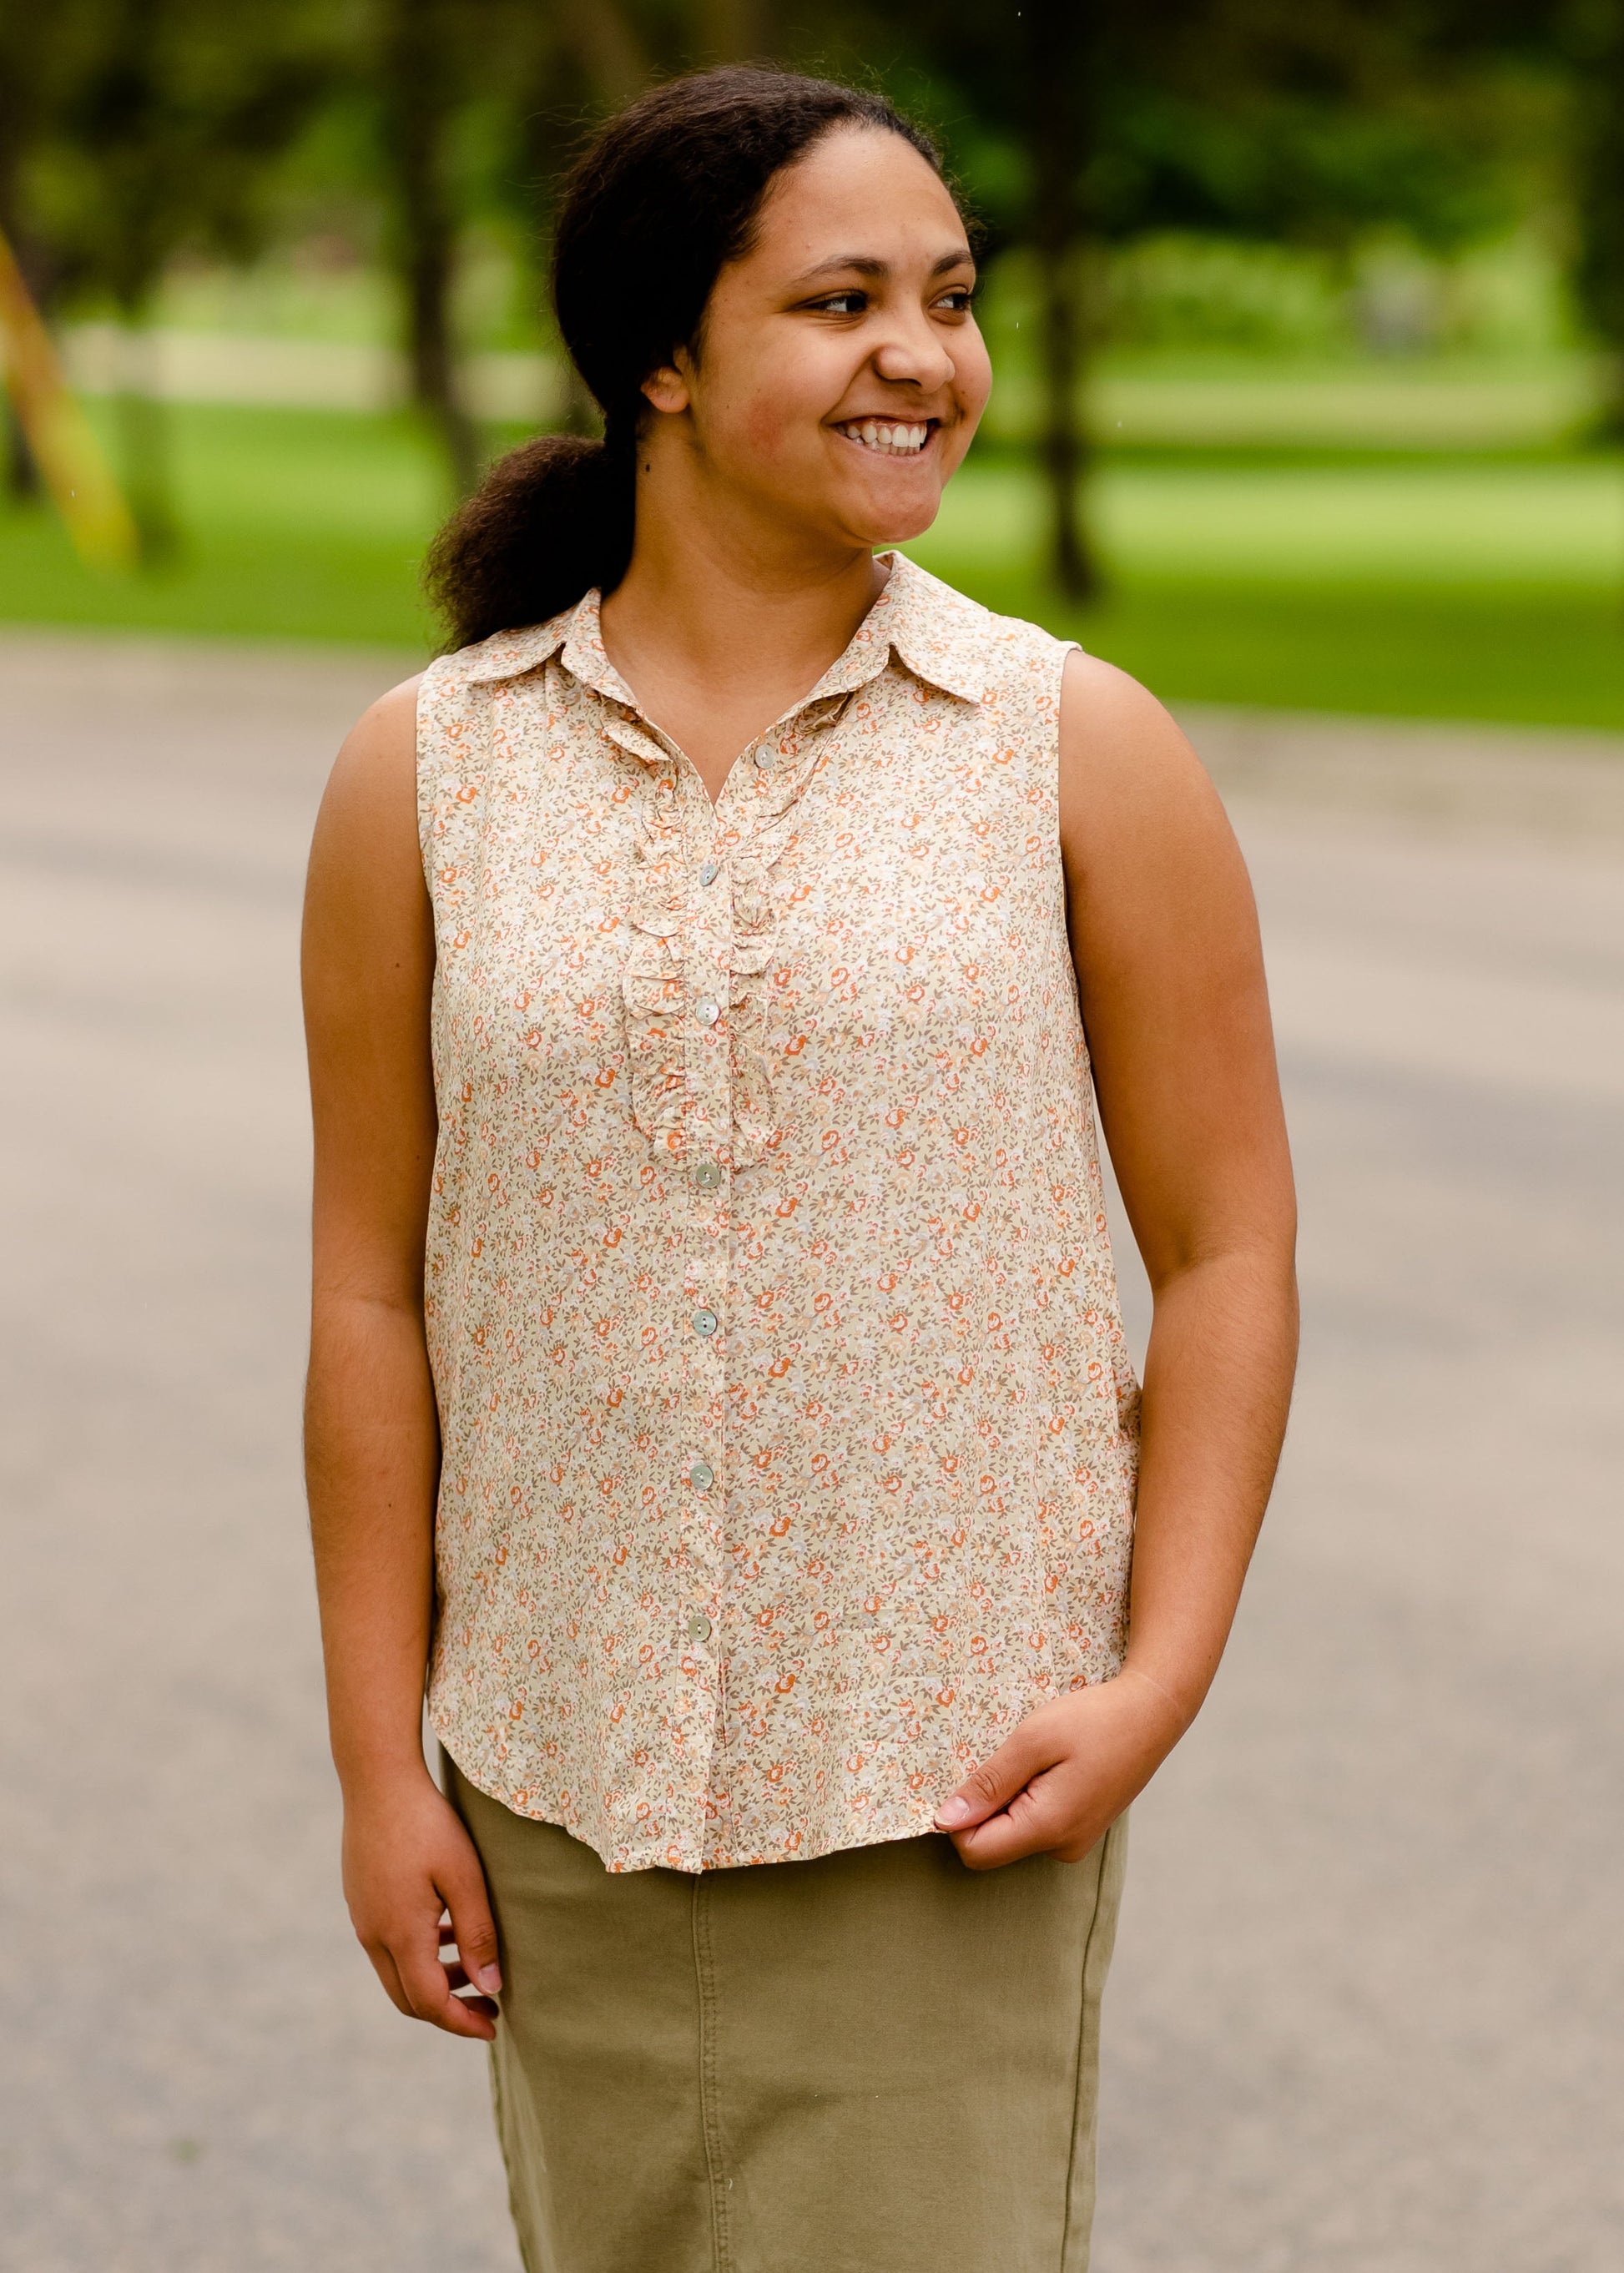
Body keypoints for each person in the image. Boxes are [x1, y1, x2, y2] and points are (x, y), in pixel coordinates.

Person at [300, 64, 1298, 2273]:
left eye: (946, 297)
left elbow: (1225, 1246)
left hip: (943, 1782)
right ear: (662, 352)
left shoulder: (1073, 745)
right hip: (559, 1778)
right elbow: (368, 1290)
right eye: (838, 299)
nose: (919, 355)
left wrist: (1156, 1671)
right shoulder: (420, 776)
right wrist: (386, 1767)